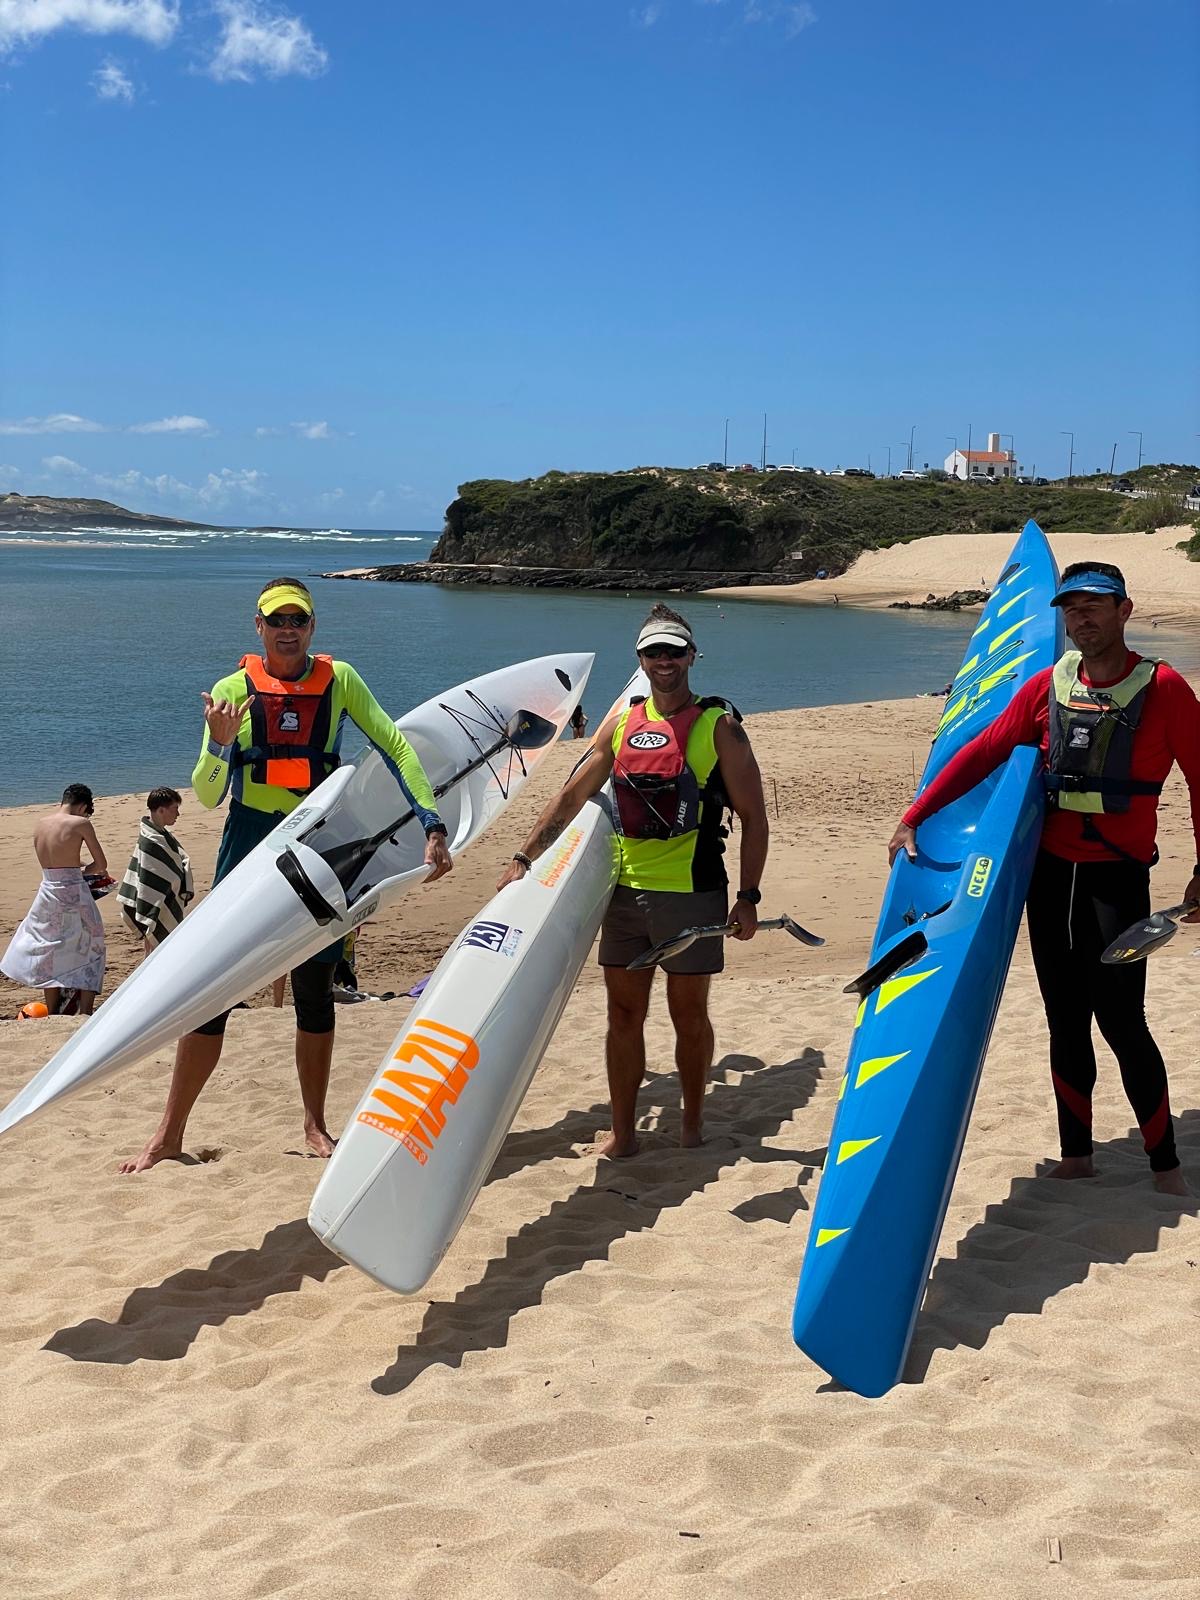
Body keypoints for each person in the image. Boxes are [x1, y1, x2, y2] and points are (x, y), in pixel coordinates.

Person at [888, 561, 1200, 1197]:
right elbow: (985, 750)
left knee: (1122, 1019)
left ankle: (1164, 1163)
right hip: (1051, 876)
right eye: (1071, 609)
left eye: (1095, 606)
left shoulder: (1165, 688)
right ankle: (1077, 1154)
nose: (1081, 619)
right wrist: (916, 814)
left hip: (1118, 881)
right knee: (1064, 1016)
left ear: (1124, 611)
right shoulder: (1046, 686)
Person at [121, 577, 453, 1173]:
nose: (288, 629)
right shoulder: (231, 690)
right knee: (211, 994)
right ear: (259, 627)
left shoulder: (341, 680)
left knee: (313, 990)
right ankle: (167, 1136)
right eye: (277, 620)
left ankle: (315, 1126)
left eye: (298, 619)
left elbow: (397, 748)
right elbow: (205, 793)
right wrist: (220, 746)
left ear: (311, 627)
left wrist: (431, 822)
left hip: (319, 841)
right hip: (249, 844)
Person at [497, 603, 769, 1156]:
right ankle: (624, 1135)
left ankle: (692, 1123)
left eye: (673, 651)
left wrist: (747, 897)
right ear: (640, 659)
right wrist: (524, 857)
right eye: (653, 652)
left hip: (694, 893)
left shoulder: (721, 728)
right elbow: (572, 794)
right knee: (623, 1015)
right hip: (623, 895)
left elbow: (756, 817)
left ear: (692, 656)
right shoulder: (621, 722)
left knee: (688, 1014)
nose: (663, 661)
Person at [1, 784, 108, 1016]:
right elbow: (100, 865)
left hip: (47, 891)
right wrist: (82, 873)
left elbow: (55, 862)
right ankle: (86, 1010)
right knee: (92, 946)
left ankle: (54, 1010)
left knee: (50, 948)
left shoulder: (41, 824)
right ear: (82, 806)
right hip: (73, 895)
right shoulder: (80, 824)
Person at [117, 787, 194, 954]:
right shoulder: (151, 840)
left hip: (165, 898)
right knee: (153, 934)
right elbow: (148, 880)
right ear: (161, 810)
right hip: (158, 901)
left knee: (154, 941)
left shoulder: (159, 834)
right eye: (175, 809)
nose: (178, 814)